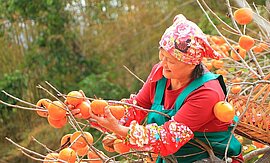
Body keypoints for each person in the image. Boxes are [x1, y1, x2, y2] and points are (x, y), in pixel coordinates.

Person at [74, 14, 243, 162]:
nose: (164, 64)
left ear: (192, 63)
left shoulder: (207, 92)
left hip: (212, 159)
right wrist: (91, 113)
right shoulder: (160, 73)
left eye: (172, 61)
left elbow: (166, 139)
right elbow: (135, 109)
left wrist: (119, 130)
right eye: (162, 55)